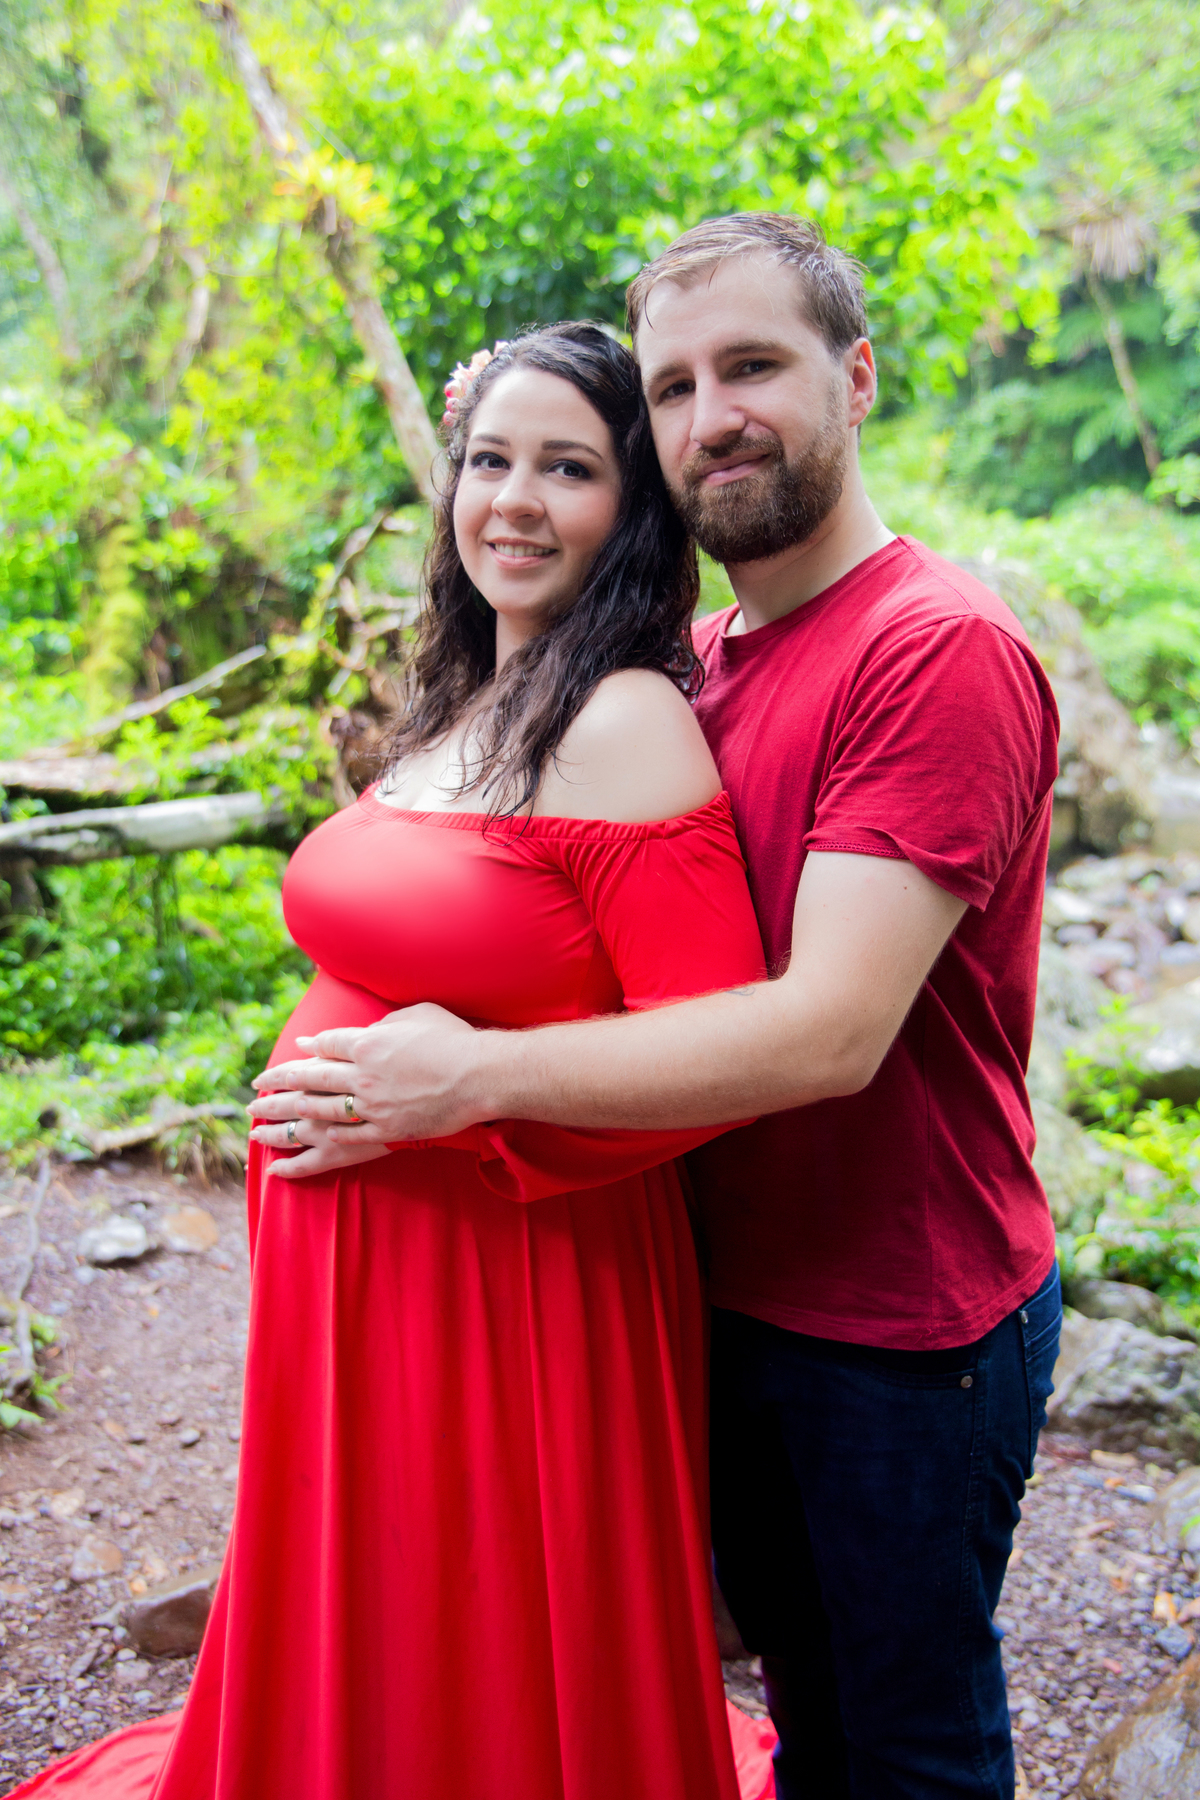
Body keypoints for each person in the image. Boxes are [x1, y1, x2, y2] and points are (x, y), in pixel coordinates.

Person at [256, 215, 1065, 1800]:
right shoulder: (706, 656)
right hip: (718, 1283)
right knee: (770, 1701)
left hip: (893, 1323)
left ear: (859, 376)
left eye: (753, 365)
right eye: (678, 382)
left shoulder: (934, 651)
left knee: (899, 1747)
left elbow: (828, 1033)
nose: (715, 415)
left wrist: (467, 1078)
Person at [12, 324, 770, 1800]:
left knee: (489, 1626)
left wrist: (466, 1096)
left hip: (515, 1286)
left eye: (571, 468)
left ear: (639, 508)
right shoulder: (470, 699)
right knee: (385, 1608)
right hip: (370, 1285)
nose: (516, 503)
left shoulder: (626, 717)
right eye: (490, 461)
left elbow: (716, 1055)